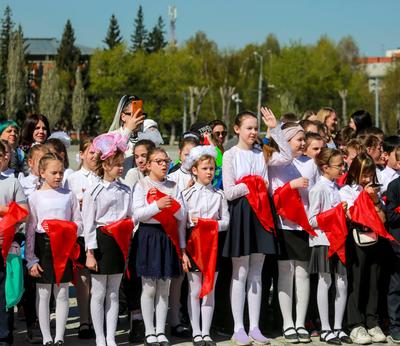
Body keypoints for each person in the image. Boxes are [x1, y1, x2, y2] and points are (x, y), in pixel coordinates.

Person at [222, 108, 292, 345]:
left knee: (256, 273)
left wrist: (276, 129)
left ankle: (254, 326)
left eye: (256, 128)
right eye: (249, 128)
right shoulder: (231, 155)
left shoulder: (262, 152)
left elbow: (287, 156)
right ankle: (238, 327)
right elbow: (229, 191)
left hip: (262, 213)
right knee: (239, 272)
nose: (253, 132)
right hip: (242, 212)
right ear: (237, 129)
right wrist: (251, 185)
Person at [269, 122, 319, 343]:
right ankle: (287, 323)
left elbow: (315, 193)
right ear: (286, 141)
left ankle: (301, 323)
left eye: (303, 139)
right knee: (286, 274)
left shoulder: (311, 164)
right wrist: (291, 186)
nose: (302, 143)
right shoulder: (275, 164)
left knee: (303, 274)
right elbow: (273, 194)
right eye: (298, 140)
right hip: (283, 225)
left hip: (304, 225)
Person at [82, 133, 134, 346]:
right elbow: (88, 223)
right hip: (101, 242)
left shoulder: (126, 189)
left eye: (122, 164)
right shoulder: (93, 190)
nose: (121, 168)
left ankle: (111, 336)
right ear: (104, 165)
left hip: (119, 242)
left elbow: (130, 216)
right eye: (116, 164)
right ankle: (100, 337)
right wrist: (90, 253)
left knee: (113, 292)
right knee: (99, 292)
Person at [25, 153, 82, 346]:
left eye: (61, 172)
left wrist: (64, 228)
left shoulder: (69, 195)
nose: (58, 176)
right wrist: (31, 258)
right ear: (42, 172)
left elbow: (78, 223)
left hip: (64, 246)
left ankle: (59, 336)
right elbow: (30, 230)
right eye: (54, 172)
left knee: (63, 292)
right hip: (44, 246)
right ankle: (46, 336)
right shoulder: (34, 197)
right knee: (43, 293)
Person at [132, 147, 185, 346]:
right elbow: (137, 214)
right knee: (148, 288)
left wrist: (172, 205)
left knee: (164, 287)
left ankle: (161, 331)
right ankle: (149, 331)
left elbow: (182, 216)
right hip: (148, 236)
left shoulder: (173, 185)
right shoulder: (141, 184)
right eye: (159, 161)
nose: (164, 164)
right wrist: (157, 206)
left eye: (166, 161)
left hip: (167, 238)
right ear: (148, 165)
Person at [180, 145, 229, 346]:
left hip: (213, 246)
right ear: (195, 170)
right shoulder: (186, 195)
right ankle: (196, 331)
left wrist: (210, 224)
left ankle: (206, 331)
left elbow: (226, 221)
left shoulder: (219, 195)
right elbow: (181, 225)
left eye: (212, 169)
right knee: (194, 289)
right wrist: (182, 251)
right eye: (205, 168)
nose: (209, 172)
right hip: (193, 245)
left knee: (210, 290)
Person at [339, 153, 387, 344]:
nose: (367, 178)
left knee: (373, 281)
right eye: (363, 174)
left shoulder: (375, 191)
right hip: (355, 241)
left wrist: (375, 200)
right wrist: (364, 196)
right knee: (356, 281)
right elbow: (353, 216)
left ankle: (372, 321)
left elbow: (382, 219)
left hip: (376, 240)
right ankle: (355, 324)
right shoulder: (346, 191)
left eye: (370, 173)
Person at [308, 148, 351, 344]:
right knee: (325, 282)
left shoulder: (336, 188)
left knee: (342, 282)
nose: (342, 168)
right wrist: (335, 213)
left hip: (339, 240)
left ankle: (338, 326)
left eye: (342, 164)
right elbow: (312, 220)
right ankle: (325, 327)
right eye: (338, 165)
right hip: (324, 241)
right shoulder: (318, 188)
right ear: (325, 168)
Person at [66, 138, 98, 339]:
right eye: (91, 152)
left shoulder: (104, 176)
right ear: (83, 154)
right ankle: (84, 320)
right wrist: (78, 203)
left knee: (99, 281)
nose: (94, 156)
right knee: (83, 280)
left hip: (100, 233)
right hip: (80, 234)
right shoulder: (73, 178)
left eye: (97, 153)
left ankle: (97, 318)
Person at [0, 141, 28, 346]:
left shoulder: (12, 183)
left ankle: (4, 338)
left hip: (6, 245)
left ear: (5, 157)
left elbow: (23, 213)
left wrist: (4, 214)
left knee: (4, 295)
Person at [108, 95, 145, 175]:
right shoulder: (111, 136)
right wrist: (128, 130)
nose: (138, 118)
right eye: (134, 114)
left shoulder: (145, 138)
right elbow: (110, 158)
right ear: (123, 116)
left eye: (140, 114)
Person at [385, 174, 400, 343]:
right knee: (396, 287)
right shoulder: (394, 186)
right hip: (398, 244)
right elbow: (392, 216)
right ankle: (395, 326)